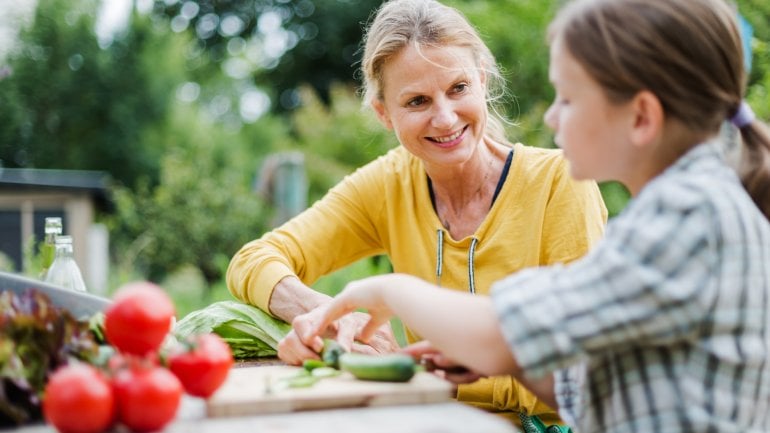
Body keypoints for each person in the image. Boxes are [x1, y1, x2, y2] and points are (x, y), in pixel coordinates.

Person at [293, 0, 770, 432]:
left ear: (641, 117)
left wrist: (386, 291)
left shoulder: (685, 220)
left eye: (568, 99)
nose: (553, 118)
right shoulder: (688, 205)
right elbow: (596, 383)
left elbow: (505, 330)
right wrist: (499, 364)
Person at [226, 0, 607, 426]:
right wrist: (326, 318)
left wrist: (421, 374)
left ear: (482, 81)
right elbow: (253, 260)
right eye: (417, 101)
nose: (444, 119)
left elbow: (582, 371)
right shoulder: (388, 184)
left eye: (458, 88)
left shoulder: (560, 182)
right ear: (384, 113)